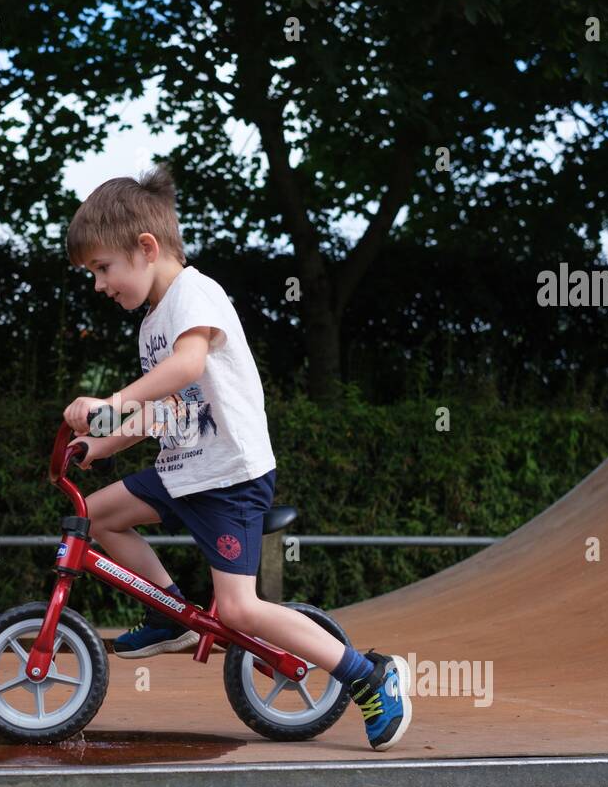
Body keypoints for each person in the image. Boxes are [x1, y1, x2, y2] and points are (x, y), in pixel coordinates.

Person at [61, 165, 410, 750]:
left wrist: (110, 403)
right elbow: (166, 411)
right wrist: (101, 443)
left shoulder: (196, 295)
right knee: (94, 515)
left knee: (239, 612)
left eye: (102, 268)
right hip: (183, 469)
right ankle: (170, 612)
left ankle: (367, 674)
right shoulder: (152, 324)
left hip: (228, 477)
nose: (98, 284)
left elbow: (189, 368)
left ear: (146, 248)